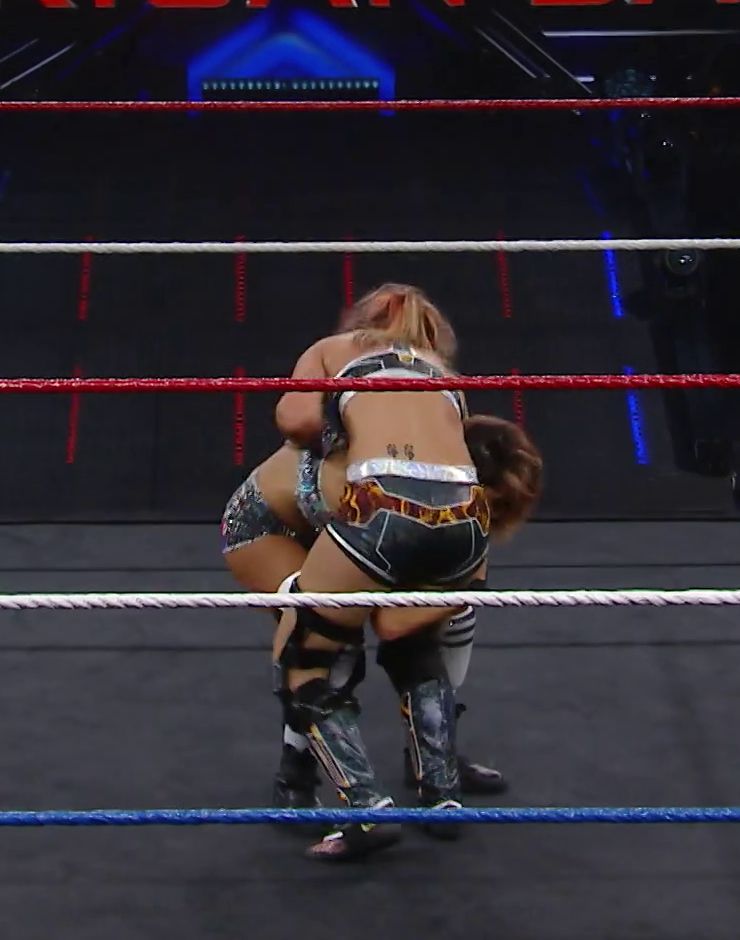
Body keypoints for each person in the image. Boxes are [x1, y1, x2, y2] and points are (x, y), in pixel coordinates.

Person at [266, 283, 538, 862]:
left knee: (304, 654)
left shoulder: (335, 349)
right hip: (467, 517)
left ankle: (364, 808)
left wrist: (345, 430)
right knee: (417, 634)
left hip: (384, 504)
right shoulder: (444, 374)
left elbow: (294, 418)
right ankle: (441, 793)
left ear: (365, 319)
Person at [220, 418, 533, 819]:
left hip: (360, 532)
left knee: (450, 617)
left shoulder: (437, 485)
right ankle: (295, 779)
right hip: (271, 530)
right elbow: (390, 624)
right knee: (326, 642)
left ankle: (435, 760)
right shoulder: (381, 491)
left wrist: (461, 590)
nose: (488, 518)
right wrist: (468, 584)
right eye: (488, 505)